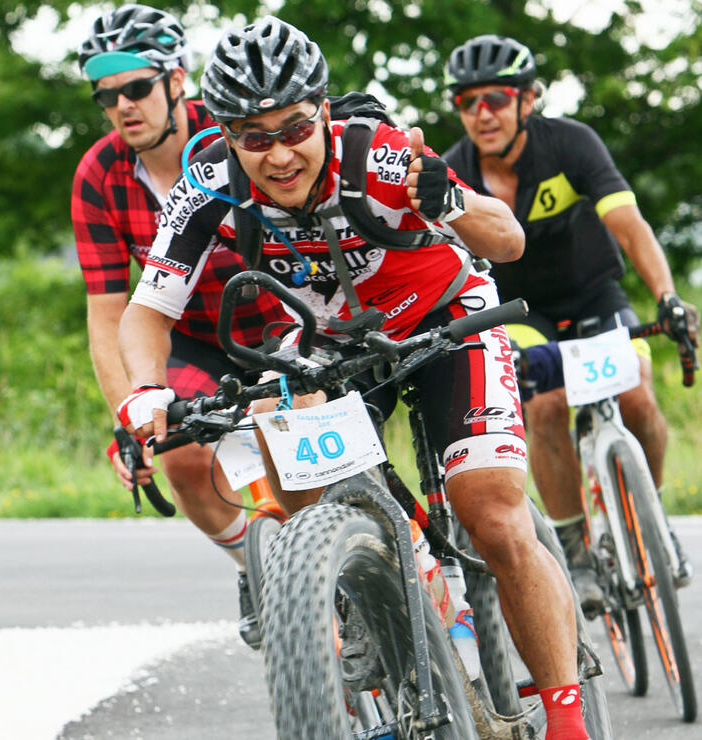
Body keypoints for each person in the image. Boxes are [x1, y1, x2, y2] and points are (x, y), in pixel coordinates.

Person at [117, 16, 594, 738]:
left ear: (324, 113)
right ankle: (360, 594)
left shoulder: (378, 154)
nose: (278, 153)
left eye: (294, 128)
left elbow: (509, 238)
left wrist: (452, 202)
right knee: (303, 482)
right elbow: (147, 309)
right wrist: (146, 390)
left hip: (442, 317)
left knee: (492, 514)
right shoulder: (207, 179)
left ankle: (568, 721)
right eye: (253, 135)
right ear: (224, 132)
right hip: (326, 342)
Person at [441, 34, 699, 613]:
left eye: (497, 99)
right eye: (467, 102)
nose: (482, 114)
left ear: (528, 100)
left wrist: (668, 297)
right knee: (547, 407)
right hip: (521, 313)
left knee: (636, 393)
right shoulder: (454, 172)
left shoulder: (572, 144)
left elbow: (629, 225)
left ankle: (649, 517)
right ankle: (578, 553)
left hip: (593, 296)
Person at [71, 4, 289, 648]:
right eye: (106, 95)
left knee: (306, 457)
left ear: (177, 80)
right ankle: (260, 569)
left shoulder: (236, 143)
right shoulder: (98, 176)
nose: (122, 106)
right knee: (180, 450)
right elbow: (110, 314)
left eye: (136, 87)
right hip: (192, 336)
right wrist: (129, 418)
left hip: (283, 321)